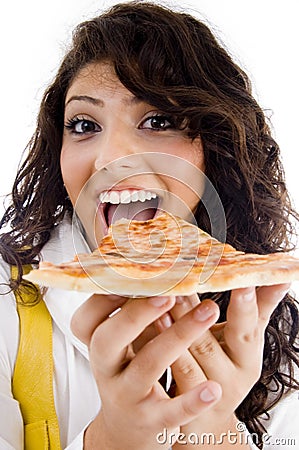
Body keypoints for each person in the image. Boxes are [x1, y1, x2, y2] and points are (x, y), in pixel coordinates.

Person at [0, 1, 298, 449]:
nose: (112, 159)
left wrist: (214, 430)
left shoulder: (275, 332)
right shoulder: (7, 303)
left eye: (158, 120)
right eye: (83, 124)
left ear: (214, 150)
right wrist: (113, 438)